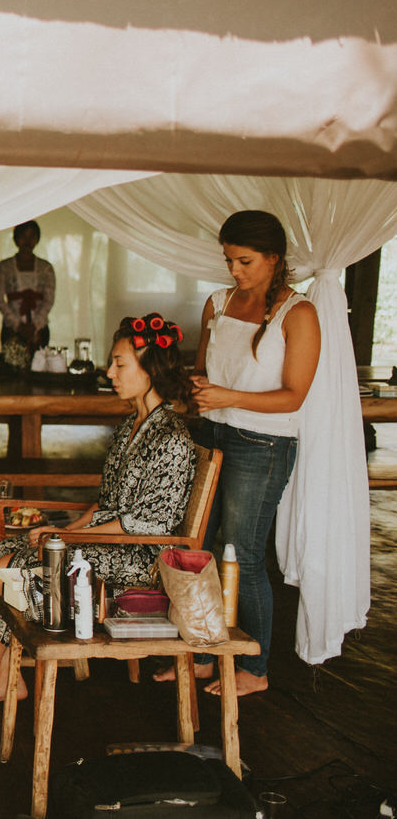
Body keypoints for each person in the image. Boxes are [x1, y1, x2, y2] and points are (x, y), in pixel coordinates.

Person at [0, 314, 197, 712]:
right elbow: (105, 503)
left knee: (11, 566)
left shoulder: (172, 437)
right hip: (110, 540)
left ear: (151, 370)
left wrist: (71, 539)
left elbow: (147, 524)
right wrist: (66, 528)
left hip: (139, 555)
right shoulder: (131, 427)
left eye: (120, 364)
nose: (110, 372)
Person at [155, 210, 318, 697]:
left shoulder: (299, 314)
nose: (235, 271)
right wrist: (182, 386)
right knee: (195, 548)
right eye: (228, 260)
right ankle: (203, 653)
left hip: (264, 442)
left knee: (242, 553)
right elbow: (202, 371)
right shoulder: (218, 303)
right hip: (213, 433)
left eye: (245, 261)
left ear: (274, 258)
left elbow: (294, 396)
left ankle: (257, 667)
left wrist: (229, 397)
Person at [0, 220, 56, 351]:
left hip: (39, 328)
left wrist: (35, 325)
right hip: (11, 328)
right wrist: (18, 325)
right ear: (16, 238)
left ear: (37, 239)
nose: (27, 241)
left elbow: (49, 299)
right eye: (23, 236)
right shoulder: (4, 266)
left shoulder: (46, 267)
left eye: (32, 236)